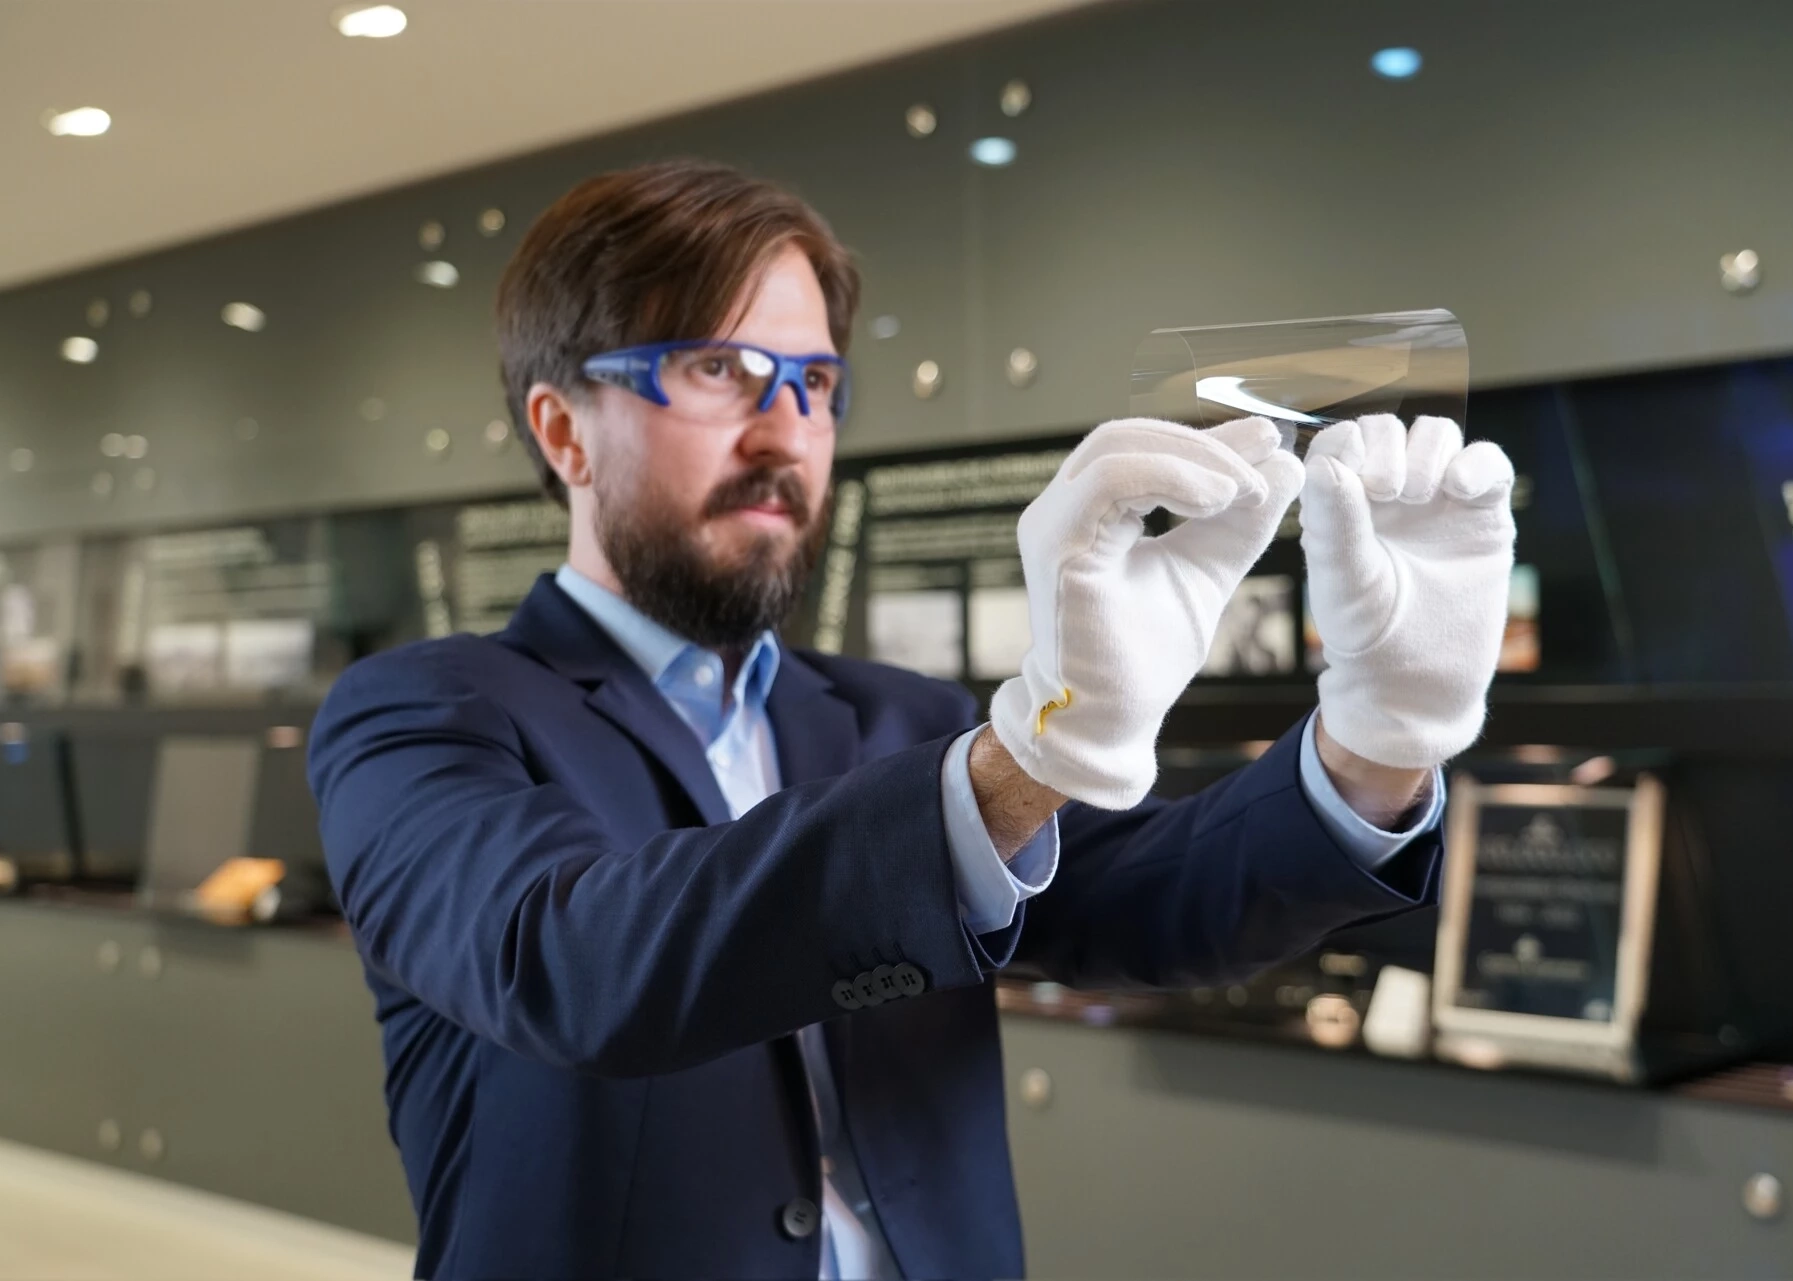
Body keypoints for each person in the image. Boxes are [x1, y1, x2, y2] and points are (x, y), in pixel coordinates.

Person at [308, 159, 1516, 1280]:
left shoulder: (898, 719)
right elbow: (571, 965)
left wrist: (1377, 739)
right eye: (715, 369)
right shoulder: (422, 716)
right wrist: (1025, 757)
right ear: (564, 429)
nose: (782, 429)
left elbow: (1160, 902)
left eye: (813, 381)